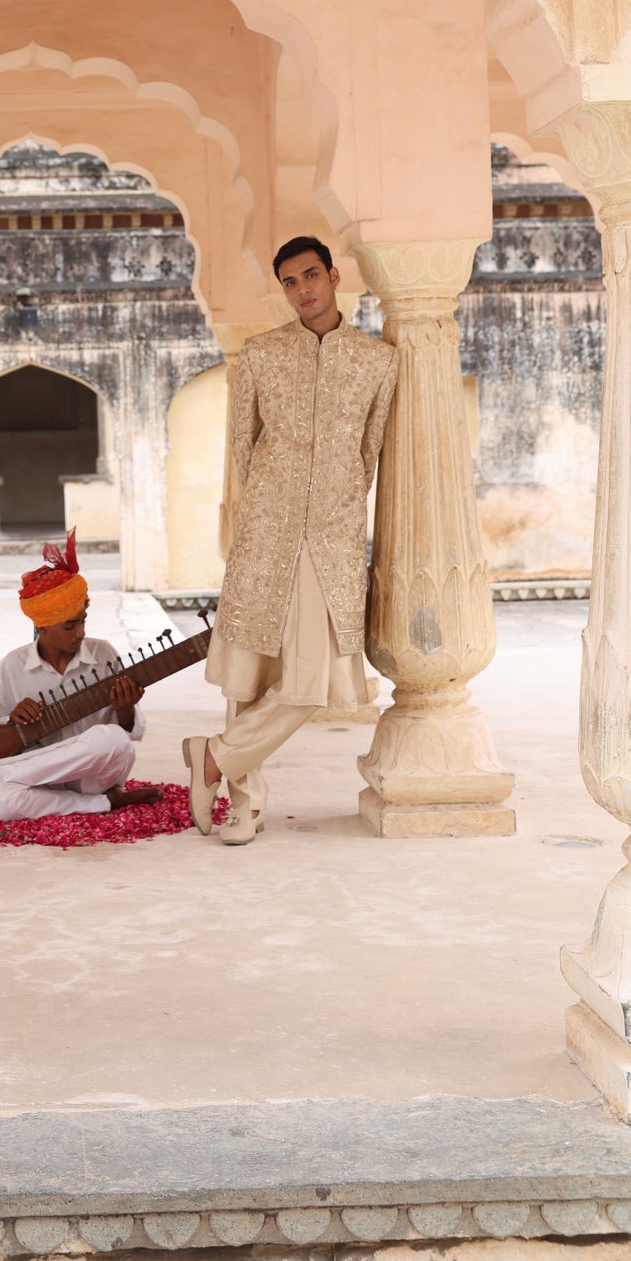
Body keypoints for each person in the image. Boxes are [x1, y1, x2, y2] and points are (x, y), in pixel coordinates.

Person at [184, 235, 397, 846]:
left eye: (311, 276)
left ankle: (214, 756)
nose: (303, 290)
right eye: (290, 281)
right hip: (268, 528)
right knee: (249, 671)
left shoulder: (377, 362)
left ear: (333, 276)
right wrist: (271, 504)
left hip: (331, 535)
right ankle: (245, 806)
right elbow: (243, 444)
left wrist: (335, 503)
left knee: (310, 682)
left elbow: (370, 450)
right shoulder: (260, 354)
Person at [0, 532, 160, 818]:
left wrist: (125, 709)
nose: (80, 633)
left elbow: (131, 732)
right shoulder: (12, 667)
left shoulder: (103, 654)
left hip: (95, 774)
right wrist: (11, 720)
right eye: (69, 626)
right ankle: (105, 804)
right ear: (42, 627)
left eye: (83, 621)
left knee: (112, 738)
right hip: (41, 778)